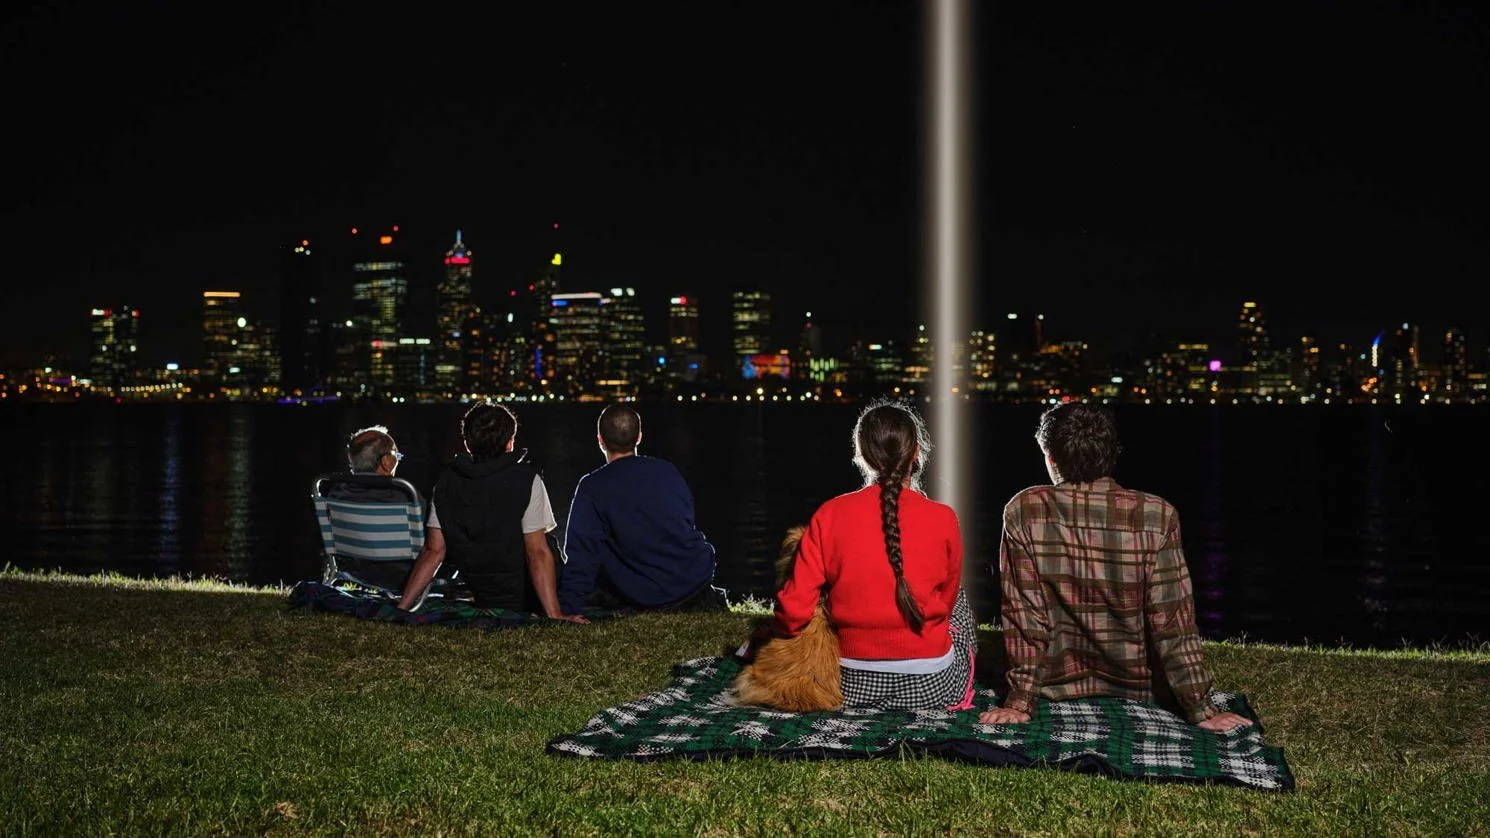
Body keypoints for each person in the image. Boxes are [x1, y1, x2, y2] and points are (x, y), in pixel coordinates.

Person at [979, 402, 1252, 732]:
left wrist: (1020, 702)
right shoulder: (1156, 515)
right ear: (1111, 454)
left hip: (1055, 688)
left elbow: (1025, 616)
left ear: (1050, 457)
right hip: (1140, 689)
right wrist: (1201, 708)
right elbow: (1172, 621)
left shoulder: (1025, 510)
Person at [772, 399, 976, 711]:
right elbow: (946, 607)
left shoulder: (830, 514)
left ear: (861, 456)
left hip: (849, 683)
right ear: (917, 453)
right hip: (931, 685)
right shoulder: (944, 517)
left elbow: (794, 611)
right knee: (957, 593)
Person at [398, 401, 586, 622]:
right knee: (547, 545)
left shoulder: (446, 482)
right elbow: (537, 553)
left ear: (467, 443)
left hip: (482, 590)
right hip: (524, 595)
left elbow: (433, 551)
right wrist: (555, 615)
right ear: (510, 443)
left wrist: (401, 608)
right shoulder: (526, 480)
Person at [557, 404, 724, 614]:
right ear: (639, 437)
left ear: (600, 441)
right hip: (693, 580)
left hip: (648, 594)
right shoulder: (667, 471)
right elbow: (685, 522)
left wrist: (568, 609)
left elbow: (581, 554)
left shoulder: (592, 486)